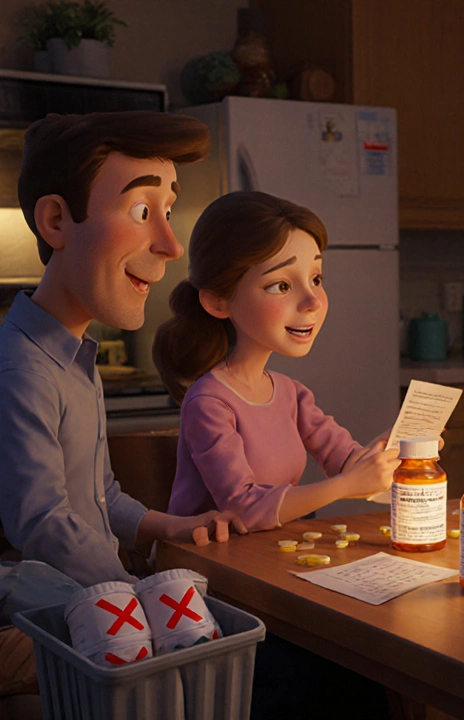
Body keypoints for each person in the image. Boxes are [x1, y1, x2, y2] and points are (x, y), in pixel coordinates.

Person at [0, 111, 244, 708]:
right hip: (36, 607)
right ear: (56, 220)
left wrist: (168, 527)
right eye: (142, 212)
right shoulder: (21, 368)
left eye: (168, 212)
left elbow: (100, 494)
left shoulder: (76, 355)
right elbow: (42, 522)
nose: (169, 242)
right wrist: (136, 589)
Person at [155, 191, 398, 531]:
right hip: (202, 570)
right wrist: (346, 486)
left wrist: (396, 449)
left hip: (267, 554)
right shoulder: (208, 403)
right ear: (218, 301)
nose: (312, 301)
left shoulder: (291, 394)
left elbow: (346, 462)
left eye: (316, 279)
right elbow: (243, 510)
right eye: (281, 285)